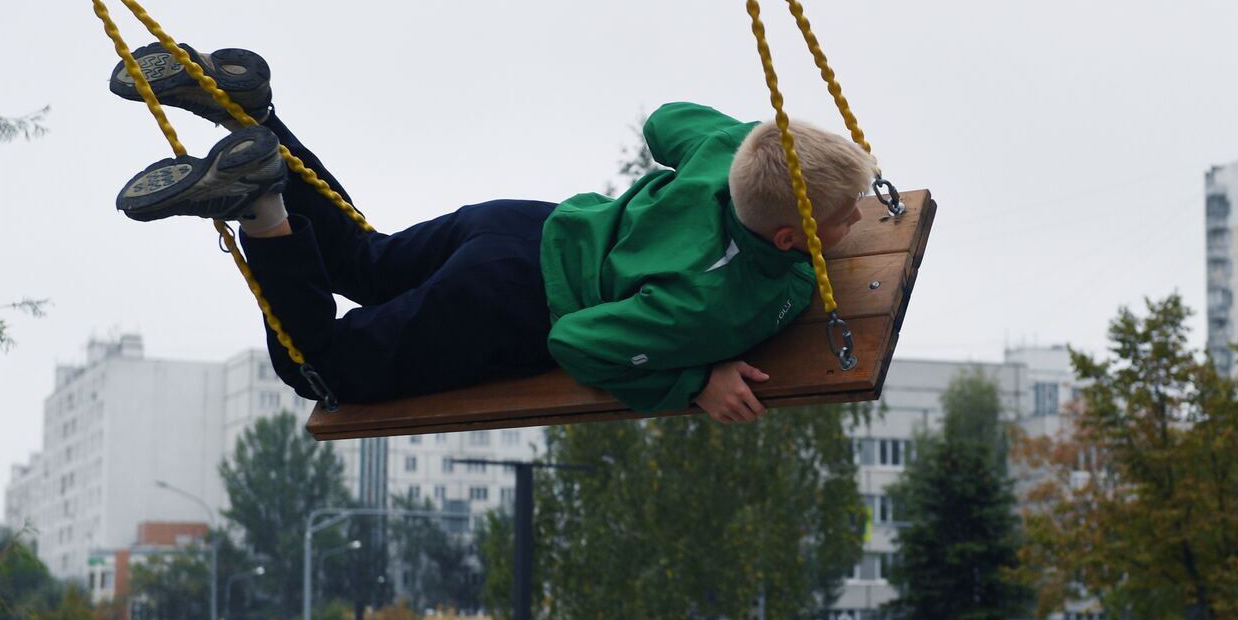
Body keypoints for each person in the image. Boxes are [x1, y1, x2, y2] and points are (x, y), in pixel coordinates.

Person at [110, 43, 872, 424]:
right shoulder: (728, 304)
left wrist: (757, 136)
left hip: (524, 225)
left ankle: (251, 117)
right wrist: (694, 382)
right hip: (508, 301)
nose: (861, 218)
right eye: (844, 213)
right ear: (786, 240)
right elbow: (580, 340)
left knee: (368, 263)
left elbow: (665, 121)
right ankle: (261, 210)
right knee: (326, 371)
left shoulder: (727, 152)